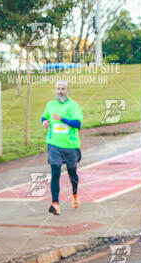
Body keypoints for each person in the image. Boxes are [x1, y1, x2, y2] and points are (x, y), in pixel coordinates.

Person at [41, 81, 83, 215]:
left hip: (70, 145)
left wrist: (62, 119)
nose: (60, 91)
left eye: (63, 89)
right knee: (55, 173)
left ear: (67, 90)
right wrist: (44, 122)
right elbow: (44, 117)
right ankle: (55, 204)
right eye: (58, 89)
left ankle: (75, 195)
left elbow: (77, 123)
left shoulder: (73, 106)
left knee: (72, 173)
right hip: (54, 144)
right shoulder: (50, 104)